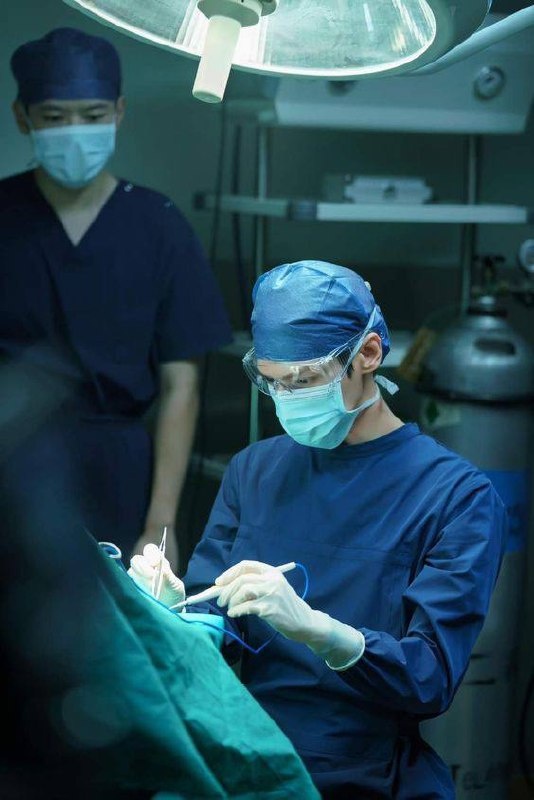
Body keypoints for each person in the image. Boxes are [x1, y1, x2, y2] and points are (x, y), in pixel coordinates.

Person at [129, 260, 507, 799]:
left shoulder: (456, 497)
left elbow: (430, 677)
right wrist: (175, 614)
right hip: (250, 755)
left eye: (304, 381)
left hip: (367, 773)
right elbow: (217, 629)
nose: (287, 399)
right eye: (273, 382)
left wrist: (322, 633)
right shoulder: (254, 470)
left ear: (368, 354)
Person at [0, 27, 232, 565]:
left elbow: (181, 385)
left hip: (119, 473)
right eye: (54, 117)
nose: (75, 132)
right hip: (11, 460)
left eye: (92, 114)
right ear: (23, 117)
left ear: (119, 112)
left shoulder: (158, 225)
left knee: (113, 612)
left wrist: (161, 523)